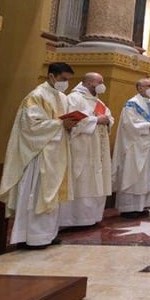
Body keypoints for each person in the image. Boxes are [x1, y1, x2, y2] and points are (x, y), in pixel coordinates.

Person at [0, 62, 77, 249]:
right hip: (40, 154)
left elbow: (62, 122)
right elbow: (31, 126)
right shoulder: (36, 96)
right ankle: (31, 237)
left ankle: (48, 234)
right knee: (36, 195)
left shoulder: (62, 98)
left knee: (53, 195)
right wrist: (60, 125)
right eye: (63, 79)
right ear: (51, 76)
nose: (65, 83)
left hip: (56, 154)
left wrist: (71, 125)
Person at [58, 72, 113, 228]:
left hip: (97, 147)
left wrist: (107, 120)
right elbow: (72, 121)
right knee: (82, 181)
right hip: (82, 147)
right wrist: (96, 119)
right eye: (99, 82)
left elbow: (108, 116)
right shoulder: (74, 98)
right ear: (89, 83)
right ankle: (74, 219)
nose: (102, 85)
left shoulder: (99, 102)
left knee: (95, 181)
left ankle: (91, 217)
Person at [113, 78, 150, 218]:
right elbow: (129, 124)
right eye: (148, 86)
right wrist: (149, 126)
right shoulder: (132, 104)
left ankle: (141, 206)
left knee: (146, 175)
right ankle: (129, 208)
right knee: (134, 173)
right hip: (135, 145)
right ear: (139, 88)